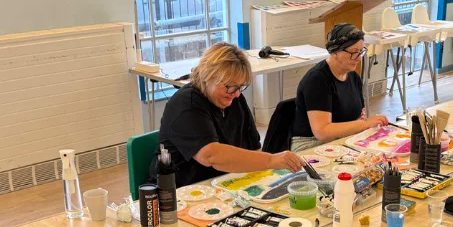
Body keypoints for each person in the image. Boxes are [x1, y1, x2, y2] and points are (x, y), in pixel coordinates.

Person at [154, 42, 304, 187]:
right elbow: (211, 156)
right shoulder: (186, 104)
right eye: (229, 86)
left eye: (240, 86)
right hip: (180, 192)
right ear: (208, 76)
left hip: (223, 183)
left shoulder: (233, 98)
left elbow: (253, 149)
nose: (236, 93)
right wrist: (271, 160)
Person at [290, 23, 388, 151]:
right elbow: (322, 132)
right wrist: (364, 124)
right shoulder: (318, 80)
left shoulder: (353, 77)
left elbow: (359, 117)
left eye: (361, 51)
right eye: (353, 52)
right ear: (335, 52)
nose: (358, 58)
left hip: (343, 139)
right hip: (311, 144)